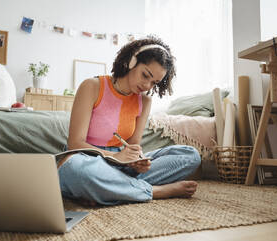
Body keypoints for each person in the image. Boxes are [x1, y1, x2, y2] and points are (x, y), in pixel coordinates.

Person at [58, 36, 201, 206]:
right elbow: (75, 143)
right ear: (131, 61)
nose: (148, 85)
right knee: (75, 169)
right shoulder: (91, 86)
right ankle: (153, 191)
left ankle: (109, 189)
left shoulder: (145, 101)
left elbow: (133, 147)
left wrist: (137, 161)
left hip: (122, 167)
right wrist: (116, 156)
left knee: (190, 156)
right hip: (87, 159)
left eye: (154, 82)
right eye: (145, 75)